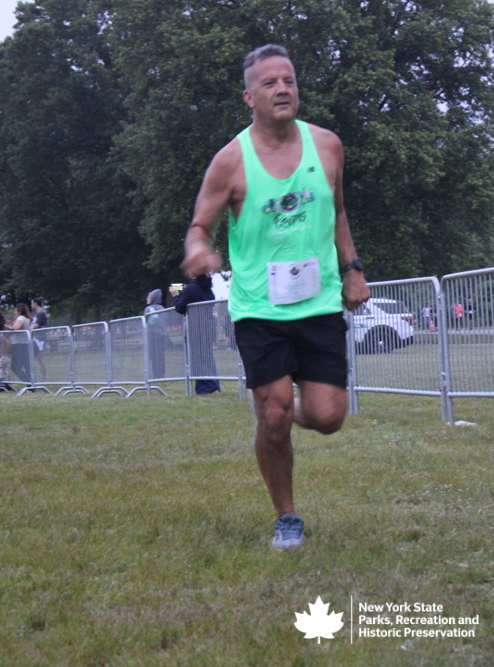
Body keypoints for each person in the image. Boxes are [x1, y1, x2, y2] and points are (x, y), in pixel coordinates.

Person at [181, 44, 370, 550]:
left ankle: (286, 408)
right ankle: (287, 515)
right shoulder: (230, 161)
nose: (283, 89)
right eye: (270, 83)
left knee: (328, 417)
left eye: (289, 80)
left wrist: (353, 271)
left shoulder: (327, 146)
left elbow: (339, 213)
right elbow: (200, 226)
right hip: (259, 308)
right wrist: (198, 249)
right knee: (273, 414)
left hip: (319, 302)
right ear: (250, 97)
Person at [172, 276, 221, 395]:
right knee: (208, 359)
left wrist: (175, 296)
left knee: (195, 360)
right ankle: (214, 385)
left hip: (194, 329)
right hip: (207, 329)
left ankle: (208, 387)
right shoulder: (208, 289)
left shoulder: (191, 289)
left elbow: (180, 308)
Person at [144, 289, 167, 380]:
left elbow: (146, 321)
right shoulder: (162, 308)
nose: (147, 299)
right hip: (162, 335)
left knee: (153, 355)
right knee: (161, 355)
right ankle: (161, 374)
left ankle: (156, 375)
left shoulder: (148, 309)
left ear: (153, 298)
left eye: (149, 297)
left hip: (152, 335)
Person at [8, 302, 33, 384]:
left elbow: (16, 328)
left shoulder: (21, 318)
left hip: (19, 345)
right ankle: (30, 382)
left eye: (15, 310)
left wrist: (7, 326)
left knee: (15, 367)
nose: (14, 312)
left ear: (19, 310)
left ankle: (28, 381)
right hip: (25, 344)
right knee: (26, 365)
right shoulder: (27, 318)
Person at [31, 298, 49, 381]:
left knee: (40, 358)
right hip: (36, 337)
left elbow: (37, 325)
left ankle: (44, 377)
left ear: (35, 303)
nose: (31, 305)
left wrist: (29, 328)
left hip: (41, 338)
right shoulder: (36, 314)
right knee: (38, 358)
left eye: (32, 303)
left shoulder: (41, 313)